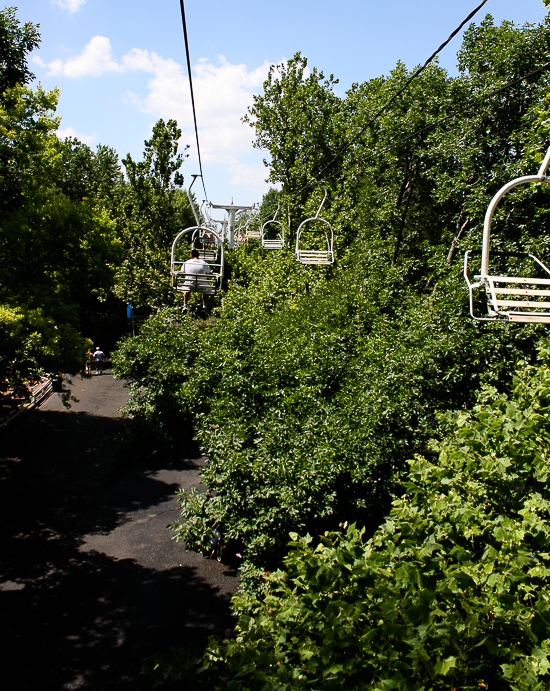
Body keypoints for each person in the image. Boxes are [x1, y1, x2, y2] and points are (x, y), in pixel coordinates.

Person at [180, 248, 211, 313]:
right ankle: (204, 306)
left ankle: (185, 305)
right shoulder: (204, 263)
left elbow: (182, 272)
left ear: (191, 255)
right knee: (207, 289)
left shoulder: (187, 262)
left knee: (186, 287)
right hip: (202, 286)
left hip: (190, 286)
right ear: (198, 255)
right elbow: (208, 272)